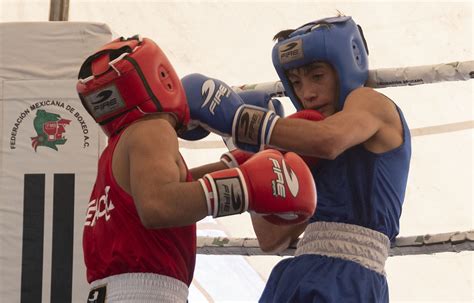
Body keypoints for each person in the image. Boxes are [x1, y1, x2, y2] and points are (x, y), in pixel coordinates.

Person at [184, 16, 411, 302]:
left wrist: (243, 122)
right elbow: (271, 239)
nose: (307, 93)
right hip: (296, 274)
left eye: (317, 77)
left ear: (347, 64)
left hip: (350, 277)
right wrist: (260, 155)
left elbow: (329, 141)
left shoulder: (367, 102)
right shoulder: (305, 137)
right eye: (296, 82)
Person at [76, 35, 317, 303]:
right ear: (162, 76)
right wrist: (243, 187)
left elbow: (175, 189)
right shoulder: (152, 128)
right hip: (146, 293)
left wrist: (235, 164)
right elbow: (159, 205)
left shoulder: (118, 148)